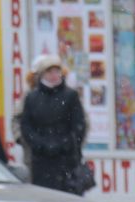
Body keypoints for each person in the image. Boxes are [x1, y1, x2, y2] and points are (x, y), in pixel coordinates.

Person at [19, 55, 86, 192]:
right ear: (42, 74)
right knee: (44, 195)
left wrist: (65, 143)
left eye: (57, 71)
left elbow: (79, 125)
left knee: (68, 196)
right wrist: (40, 144)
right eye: (50, 72)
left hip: (66, 158)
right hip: (41, 159)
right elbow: (26, 126)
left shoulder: (70, 96)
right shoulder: (32, 97)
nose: (54, 75)